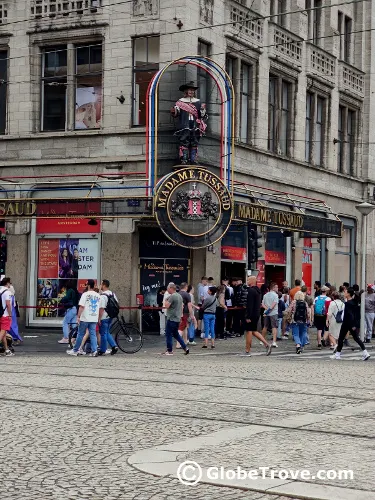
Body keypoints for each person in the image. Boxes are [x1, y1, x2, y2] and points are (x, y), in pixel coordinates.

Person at [170, 81, 207, 164]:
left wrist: (202, 110)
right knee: (184, 140)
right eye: (190, 90)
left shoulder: (198, 102)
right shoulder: (180, 102)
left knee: (194, 141)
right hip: (184, 124)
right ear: (185, 91)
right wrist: (174, 111)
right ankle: (184, 158)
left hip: (195, 124)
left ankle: (193, 159)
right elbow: (177, 113)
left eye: (193, 90)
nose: (191, 92)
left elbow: (202, 115)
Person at [331, 287, 370, 361]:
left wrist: (352, 325)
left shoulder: (348, 303)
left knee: (341, 338)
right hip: (351, 323)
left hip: (347, 323)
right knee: (356, 338)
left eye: (345, 292)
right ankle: (365, 352)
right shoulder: (354, 302)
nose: (344, 293)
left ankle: (338, 354)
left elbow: (350, 314)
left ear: (348, 294)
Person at [67, 279, 101, 356]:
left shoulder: (85, 295)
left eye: (86, 284)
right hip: (94, 317)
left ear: (88, 285)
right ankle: (94, 350)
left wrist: (78, 316)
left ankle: (76, 350)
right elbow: (99, 308)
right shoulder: (98, 295)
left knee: (80, 334)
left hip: (85, 317)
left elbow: (81, 307)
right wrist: (98, 317)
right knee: (93, 334)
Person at [244, 276, 272, 356]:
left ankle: (247, 350)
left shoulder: (250, 291)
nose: (247, 281)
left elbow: (250, 305)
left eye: (248, 280)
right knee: (254, 331)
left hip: (251, 314)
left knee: (249, 331)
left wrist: (248, 316)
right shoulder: (258, 291)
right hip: (256, 313)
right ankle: (267, 344)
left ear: (252, 281)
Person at [163, 282, 189, 356]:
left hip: (171, 318)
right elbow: (182, 306)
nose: (167, 290)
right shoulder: (179, 296)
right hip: (177, 318)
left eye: (168, 288)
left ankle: (169, 350)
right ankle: (185, 347)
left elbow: (167, 306)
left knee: (168, 334)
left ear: (171, 288)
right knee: (176, 334)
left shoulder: (173, 296)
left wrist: (165, 300)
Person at [98, 280, 119, 356]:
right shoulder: (112, 293)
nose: (100, 286)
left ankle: (103, 350)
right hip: (111, 316)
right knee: (107, 332)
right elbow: (117, 303)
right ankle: (114, 346)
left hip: (104, 317)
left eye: (101, 284)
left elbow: (101, 308)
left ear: (103, 285)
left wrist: (99, 318)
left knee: (103, 333)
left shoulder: (103, 296)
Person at [261, 282, 279, 347]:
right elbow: (273, 305)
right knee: (274, 327)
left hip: (266, 313)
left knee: (265, 326)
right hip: (273, 313)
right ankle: (274, 341)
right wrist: (269, 310)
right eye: (276, 287)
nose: (277, 288)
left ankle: (262, 340)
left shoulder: (265, 295)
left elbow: (262, 304)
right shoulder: (275, 295)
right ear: (273, 288)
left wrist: (266, 310)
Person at [177, 282, 193, 348]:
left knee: (184, 327)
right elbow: (189, 306)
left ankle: (185, 341)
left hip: (177, 313)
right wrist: (191, 314)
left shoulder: (177, 294)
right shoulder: (187, 295)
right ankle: (178, 344)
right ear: (186, 287)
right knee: (181, 328)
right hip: (184, 313)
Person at [313, 285, 330, 349]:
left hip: (317, 315)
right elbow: (329, 308)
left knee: (319, 330)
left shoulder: (317, 298)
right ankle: (323, 339)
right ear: (326, 291)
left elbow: (314, 306)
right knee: (327, 329)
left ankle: (319, 344)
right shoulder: (328, 299)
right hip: (325, 315)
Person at [0, 277, 13, 356]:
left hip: (0, 314)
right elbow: (8, 304)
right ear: (7, 283)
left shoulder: (0, 290)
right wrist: (10, 314)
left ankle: (7, 350)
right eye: (10, 283)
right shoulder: (7, 292)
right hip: (5, 314)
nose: (10, 285)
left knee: (3, 333)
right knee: (2, 332)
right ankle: (7, 350)